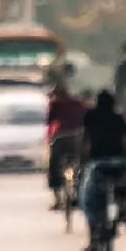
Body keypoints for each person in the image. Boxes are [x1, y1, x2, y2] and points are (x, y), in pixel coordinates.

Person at [79, 90, 126, 251]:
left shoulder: (91, 116)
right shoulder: (119, 119)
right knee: (124, 190)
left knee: (87, 200)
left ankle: (93, 238)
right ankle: (120, 214)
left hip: (97, 165)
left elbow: (85, 142)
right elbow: (125, 144)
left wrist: (82, 164)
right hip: (119, 164)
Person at [46, 79, 88, 210]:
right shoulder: (78, 103)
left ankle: (58, 198)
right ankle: (81, 193)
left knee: (54, 165)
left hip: (62, 139)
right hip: (77, 139)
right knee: (83, 164)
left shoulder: (56, 103)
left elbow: (49, 120)